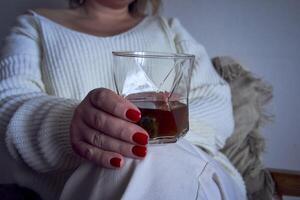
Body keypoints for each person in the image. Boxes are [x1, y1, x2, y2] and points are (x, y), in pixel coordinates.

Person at [0, 0, 246, 199]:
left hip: (201, 177)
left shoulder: (168, 28)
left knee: (143, 155)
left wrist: (154, 135)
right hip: (84, 188)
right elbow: (8, 104)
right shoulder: (35, 25)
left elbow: (217, 106)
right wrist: (68, 124)